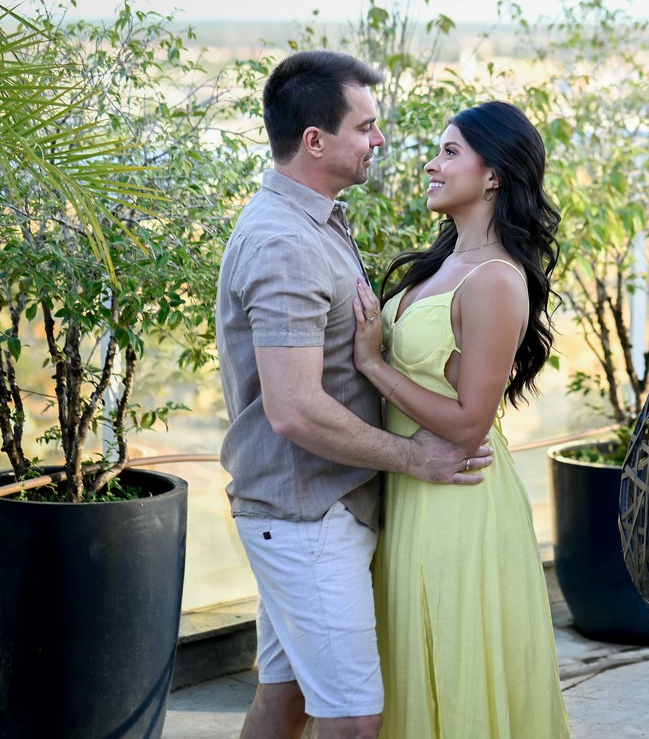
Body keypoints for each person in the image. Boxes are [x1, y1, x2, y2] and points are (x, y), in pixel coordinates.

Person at [216, 49, 493, 739]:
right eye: (365, 127)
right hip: (307, 514)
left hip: (309, 509)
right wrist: (415, 457)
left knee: (285, 698)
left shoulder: (314, 222)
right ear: (315, 140)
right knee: (354, 721)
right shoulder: (285, 242)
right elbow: (293, 408)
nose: (380, 140)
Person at [351, 100, 571, 738]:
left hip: (459, 497)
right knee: (410, 662)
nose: (431, 164)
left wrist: (373, 365)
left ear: (493, 174)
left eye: (450, 152)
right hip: (413, 486)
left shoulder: (497, 279)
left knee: (452, 661)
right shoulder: (445, 263)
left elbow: (471, 422)